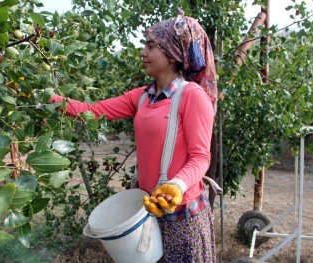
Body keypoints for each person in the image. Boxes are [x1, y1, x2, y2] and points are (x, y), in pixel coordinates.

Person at [50, 7, 218, 263]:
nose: (143, 52)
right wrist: (50, 99)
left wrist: (177, 185)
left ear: (172, 53)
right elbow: (93, 111)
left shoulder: (192, 96)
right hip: (146, 211)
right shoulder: (142, 96)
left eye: (151, 46)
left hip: (181, 216)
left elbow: (200, 157)